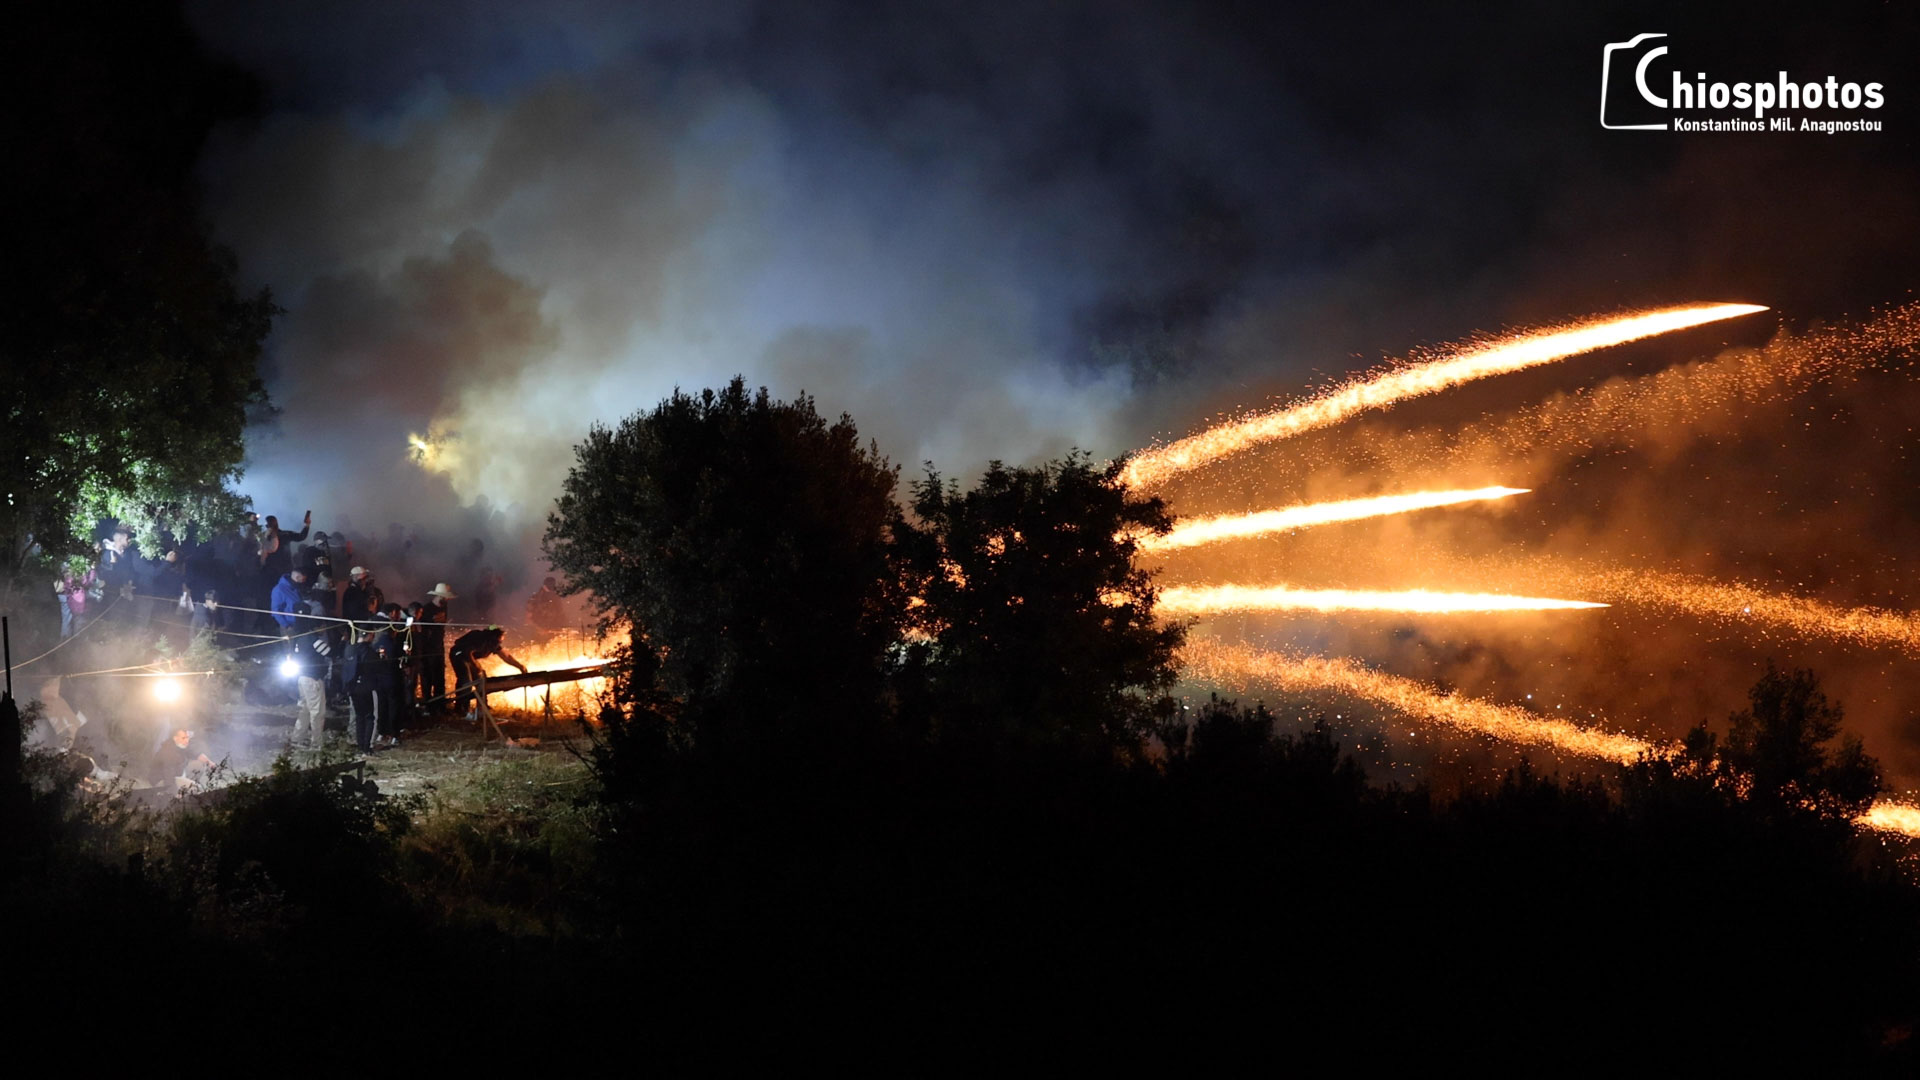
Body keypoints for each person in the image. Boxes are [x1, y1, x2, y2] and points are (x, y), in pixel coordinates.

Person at [449, 625, 527, 742]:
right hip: (459, 655)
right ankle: (462, 711)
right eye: (500, 639)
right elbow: (468, 652)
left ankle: (482, 708)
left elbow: (506, 656)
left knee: (482, 680)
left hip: (468, 658)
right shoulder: (480, 638)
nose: (501, 641)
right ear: (494, 637)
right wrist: (476, 666)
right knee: (466, 681)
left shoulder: (493, 643)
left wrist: (520, 666)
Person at [418, 583, 455, 710]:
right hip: (428, 649)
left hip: (439, 646)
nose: (448, 600)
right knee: (427, 677)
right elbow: (422, 631)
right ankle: (428, 705)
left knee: (440, 677)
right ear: (439, 596)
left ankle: (440, 705)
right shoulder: (426, 609)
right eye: (446, 597)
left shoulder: (444, 606)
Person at [257, 511, 311, 580]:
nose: (266, 526)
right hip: (272, 570)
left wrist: (307, 525)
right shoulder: (264, 536)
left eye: (267, 524)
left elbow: (301, 536)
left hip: (282, 568)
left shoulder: (285, 534)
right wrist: (307, 525)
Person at [270, 568, 308, 633]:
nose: (304, 582)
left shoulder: (297, 587)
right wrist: (286, 626)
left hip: (302, 624)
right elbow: (275, 611)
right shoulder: (279, 590)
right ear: (297, 577)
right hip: (290, 627)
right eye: (303, 579)